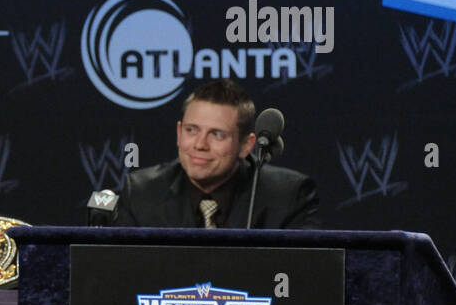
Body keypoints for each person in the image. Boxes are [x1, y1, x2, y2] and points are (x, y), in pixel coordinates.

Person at [111, 78, 320, 229]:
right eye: (191, 130)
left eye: (217, 134)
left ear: (247, 145)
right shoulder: (142, 193)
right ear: (178, 132)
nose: (200, 145)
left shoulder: (289, 196)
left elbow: (304, 280)